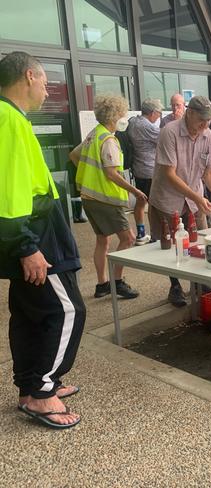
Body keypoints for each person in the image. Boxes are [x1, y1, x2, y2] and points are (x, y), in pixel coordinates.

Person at [0, 51, 85, 429]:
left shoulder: (9, 117)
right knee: (67, 311)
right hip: (35, 237)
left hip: (31, 232)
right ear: (29, 75)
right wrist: (27, 247)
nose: (47, 88)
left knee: (30, 313)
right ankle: (41, 392)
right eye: (45, 81)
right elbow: (9, 193)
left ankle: (31, 386)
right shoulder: (8, 120)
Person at [149, 96, 211, 307]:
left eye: (209, 120)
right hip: (168, 198)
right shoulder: (170, 132)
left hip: (194, 200)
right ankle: (174, 286)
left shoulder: (208, 136)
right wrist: (197, 197)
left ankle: (199, 283)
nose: (205, 124)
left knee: (198, 241)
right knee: (170, 245)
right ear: (189, 113)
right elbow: (169, 174)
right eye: (202, 119)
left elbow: (209, 171)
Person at [71, 95, 145, 299]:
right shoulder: (109, 140)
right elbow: (111, 173)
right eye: (123, 114)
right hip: (106, 199)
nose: (124, 118)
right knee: (128, 238)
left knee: (102, 240)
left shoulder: (93, 135)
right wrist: (135, 191)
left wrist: (89, 176)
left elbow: (74, 155)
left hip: (89, 197)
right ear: (115, 116)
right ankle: (116, 282)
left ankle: (102, 283)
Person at [127, 98, 163, 241]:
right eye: (159, 113)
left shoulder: (133, 122)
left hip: (138, 168)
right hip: (150, 170)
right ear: (153, 112)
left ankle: (141, 233)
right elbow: (166, 139)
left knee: (141, 201)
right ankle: (157, 235)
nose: (159, 117)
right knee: (155, 205)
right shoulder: (147, 126)